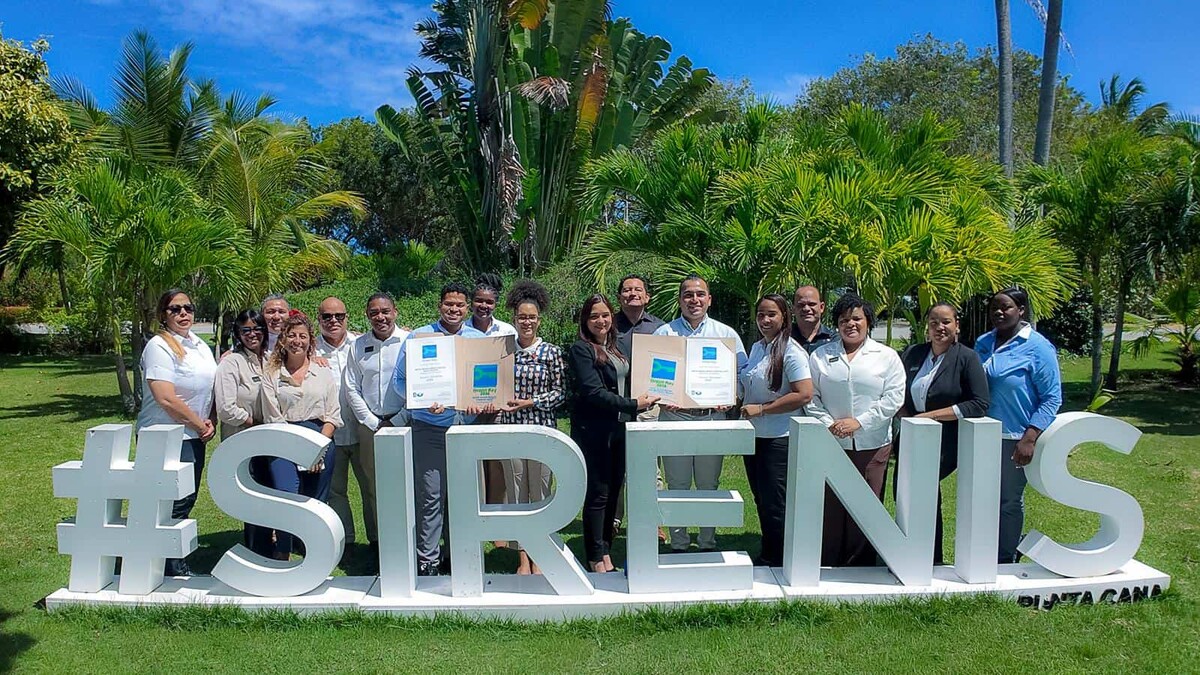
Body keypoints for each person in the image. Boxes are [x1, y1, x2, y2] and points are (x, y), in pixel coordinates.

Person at [392, 282, 488, 576]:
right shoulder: (419, 337)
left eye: (459, 305)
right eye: (449, 304)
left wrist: (480, 402)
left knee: (463, 497)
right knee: (431, 496)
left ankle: (457, 556)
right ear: (439, 306)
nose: (453, 309)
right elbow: (399, 382)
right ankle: (428, 559)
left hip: (466, 429)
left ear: (467, 308)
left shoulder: (477, 340)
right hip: (429, 428)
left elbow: (486, 380)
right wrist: (421, 402)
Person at [807, 293, 905, 567]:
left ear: (868, 321)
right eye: (843, 320)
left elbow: (894, 398)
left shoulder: (887, 356)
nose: (850, 324)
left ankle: (861, 565)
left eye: (856, 319)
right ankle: (829, 562)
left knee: (867, 505)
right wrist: (830, 423)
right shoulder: (821, 356)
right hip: (832, 443)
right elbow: (811, 397)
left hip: (872, 443)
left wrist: (860, 422)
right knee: (832, 505)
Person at [652, 274, 747, 552]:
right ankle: (679, 543)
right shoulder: (664, 334)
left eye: (700, 294)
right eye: (688, 295)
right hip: (674, 417)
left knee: (708, 482)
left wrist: (731, 397)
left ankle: (707, 542)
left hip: (711, 417)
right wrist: (661, 397)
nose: (694, 300)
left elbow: (741, 374)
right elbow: (654, 376)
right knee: (676, 483)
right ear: (680, 299)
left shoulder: (726, 334)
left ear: (709, 299)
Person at [568, 294, 660, 572]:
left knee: (614, 491)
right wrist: (634, 404)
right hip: (594, 432)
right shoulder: (581, 350)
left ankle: (606, 550)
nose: (601, 321)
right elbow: (593, 392)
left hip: (619, 429)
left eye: (605, 315)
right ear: (585, 320)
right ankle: (595, 556)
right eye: (594, 316)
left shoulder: (614, 347)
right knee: (598, 494)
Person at [897, 302, 990, 566]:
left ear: (957, 325)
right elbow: (897, 389)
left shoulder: (967, 358)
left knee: (925, 497)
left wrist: (931, 416)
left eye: (946, 322)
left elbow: (979, 403)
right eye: (934, 322)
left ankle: (931, 559)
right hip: (910, 437)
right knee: (903, 496)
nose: (940, 327)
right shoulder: (914, 354)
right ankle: (904, 554)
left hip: (945, 441)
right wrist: (904, 414)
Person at [974, 287, 1062, 564]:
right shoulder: (983, 342)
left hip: (1013, 437)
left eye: (1006, 307)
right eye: (994, 308)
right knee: (982, 499)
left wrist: (1030, 436)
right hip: (979, 434)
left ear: (1021, 310)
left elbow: (1052, 397)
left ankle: (1005, 558)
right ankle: (981, 554)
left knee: (1008, 500)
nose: (999, 312)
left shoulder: (1037, 347)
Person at [137, 289, 217, 577]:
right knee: (172, 501)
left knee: (186, 497)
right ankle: (168, 565)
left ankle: (167, 560)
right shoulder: (159, 346)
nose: (183, 313)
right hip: (166, 436)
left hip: (193, 435)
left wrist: (211, 419)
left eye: (188, 308)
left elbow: (210, 385)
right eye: (175, 309)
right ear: (163, 315)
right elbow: (166, 398)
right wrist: (200, 424)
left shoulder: (199, 344)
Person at [496, 280, 568, 575]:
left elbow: (560, 393)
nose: (527, 322)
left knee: (540, 491)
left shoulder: (551, 352)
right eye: (522, 317)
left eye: (532, 317)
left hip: (542, 431)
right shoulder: (502, 350)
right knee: (516, 493)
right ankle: (522, 557)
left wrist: (531, 402)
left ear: (540, 319)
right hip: (511, 431)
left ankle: (541, 554)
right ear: (514, 319)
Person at [738, 294, 813, 567]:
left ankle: (780, 558)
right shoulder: (758, 347)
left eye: (772, 314)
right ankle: (770, 551)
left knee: (776, 501)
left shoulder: (792, 351)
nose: (765, 320)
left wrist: (762, 409)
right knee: (761, 498)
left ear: (784, 317)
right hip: (754, 436)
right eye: (761, 315)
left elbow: (804, 394)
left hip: (779, 438)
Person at [261, 310, 342, 560]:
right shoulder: (271, 374)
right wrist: (297, 450)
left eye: (303, 336)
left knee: (315, 500)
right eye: (292, 335)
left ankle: (313, 553)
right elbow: (273, 417)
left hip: (320, 439)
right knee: (287, 493)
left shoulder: (323, 372)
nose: (297, 341)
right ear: (283, 339)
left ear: (310, 340)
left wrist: (317, 450)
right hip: (283, 440)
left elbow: (333, 415)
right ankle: (283, 550)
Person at [343, 292, 409, 565]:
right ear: (367, 315)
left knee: (406, 484)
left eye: (385, 311)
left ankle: (408, 542)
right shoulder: (358, 346)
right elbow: (351, 387)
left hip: (404, 424)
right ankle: (380, 542)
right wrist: (372, 422)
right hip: (370, 426)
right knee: (374, 486)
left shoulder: (409, 341)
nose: (380, 317)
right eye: (374, 313)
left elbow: (419, 384)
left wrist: (398, 420)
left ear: (395, 312)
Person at [612, 273, 667, 543]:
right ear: (619, 296)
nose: (632, 293)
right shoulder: (608, 325)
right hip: (616, 404)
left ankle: (653, 520)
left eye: (637, 289)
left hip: (649, 406)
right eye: (626, 289)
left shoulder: (660, 329)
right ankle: (614, 519)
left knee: (649, 465)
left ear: (647, 296)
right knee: (616, 465)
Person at [213, 308, 272, 556]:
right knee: (253, 496)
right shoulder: (231, 363)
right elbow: (225, 408)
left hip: (271, 440)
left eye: (257, 328)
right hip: (243, 441)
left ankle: (272, 544)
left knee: (270, 492)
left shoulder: (270, 359)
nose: (252, 334)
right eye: (245, 330)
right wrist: (253, 422)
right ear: (237, 333)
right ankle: (256, 549)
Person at [314, 297, 361, 558]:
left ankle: (378, 541)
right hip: (329, 432)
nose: (333, 321)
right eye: (327, 316)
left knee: (373, 489)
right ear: (318, 319)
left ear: (347, 318)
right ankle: (347, 541)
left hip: (362, 429)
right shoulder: (310, 350)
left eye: (339, 316)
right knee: (335, 491)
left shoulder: (360, 344)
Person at [469, 273, 517, 517]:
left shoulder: (507, 330)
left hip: (499, 405)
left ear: (495, 304)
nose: (484, 306)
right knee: (473, 462)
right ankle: (475, 511)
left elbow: (512, 367)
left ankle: (497, 514)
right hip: (468, 408)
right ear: (471, 302)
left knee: (498, 461)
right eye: (479, 300)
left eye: (489, 302)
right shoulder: (461, 331)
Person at [792, 285, 836, 354]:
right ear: (793, 309)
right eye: (801, 305)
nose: (806, 309)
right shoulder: (783, 338)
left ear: (821, 307)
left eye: (811, 304)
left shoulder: (834, 339)